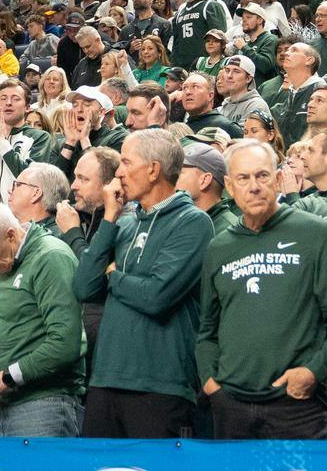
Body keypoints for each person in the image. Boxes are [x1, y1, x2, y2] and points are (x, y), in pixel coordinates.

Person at [197, 140, 327, 439]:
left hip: (297, 404)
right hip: (230, 404)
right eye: (243, 178)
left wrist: (313, 372)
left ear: (277, 179)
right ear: (229, 186)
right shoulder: (219, 247)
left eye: (262, 175)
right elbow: (207, 328)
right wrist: (211, 382)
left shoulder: (317, 234)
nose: (254, 187)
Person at [73, 127, 215, 438]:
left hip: (161, 384)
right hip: (105, 379)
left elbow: (155, 296)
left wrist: (112, 276)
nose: (118, 173)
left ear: (153, 170)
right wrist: (109, 218)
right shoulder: (123, 224)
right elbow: (83, 287)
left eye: (126, 162)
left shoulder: (193, 222)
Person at [0, 200, 87, 437]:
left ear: (10, 235)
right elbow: (0, 333)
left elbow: (65, 343)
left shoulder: (50, 257)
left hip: (43, 405)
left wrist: (6, 378)